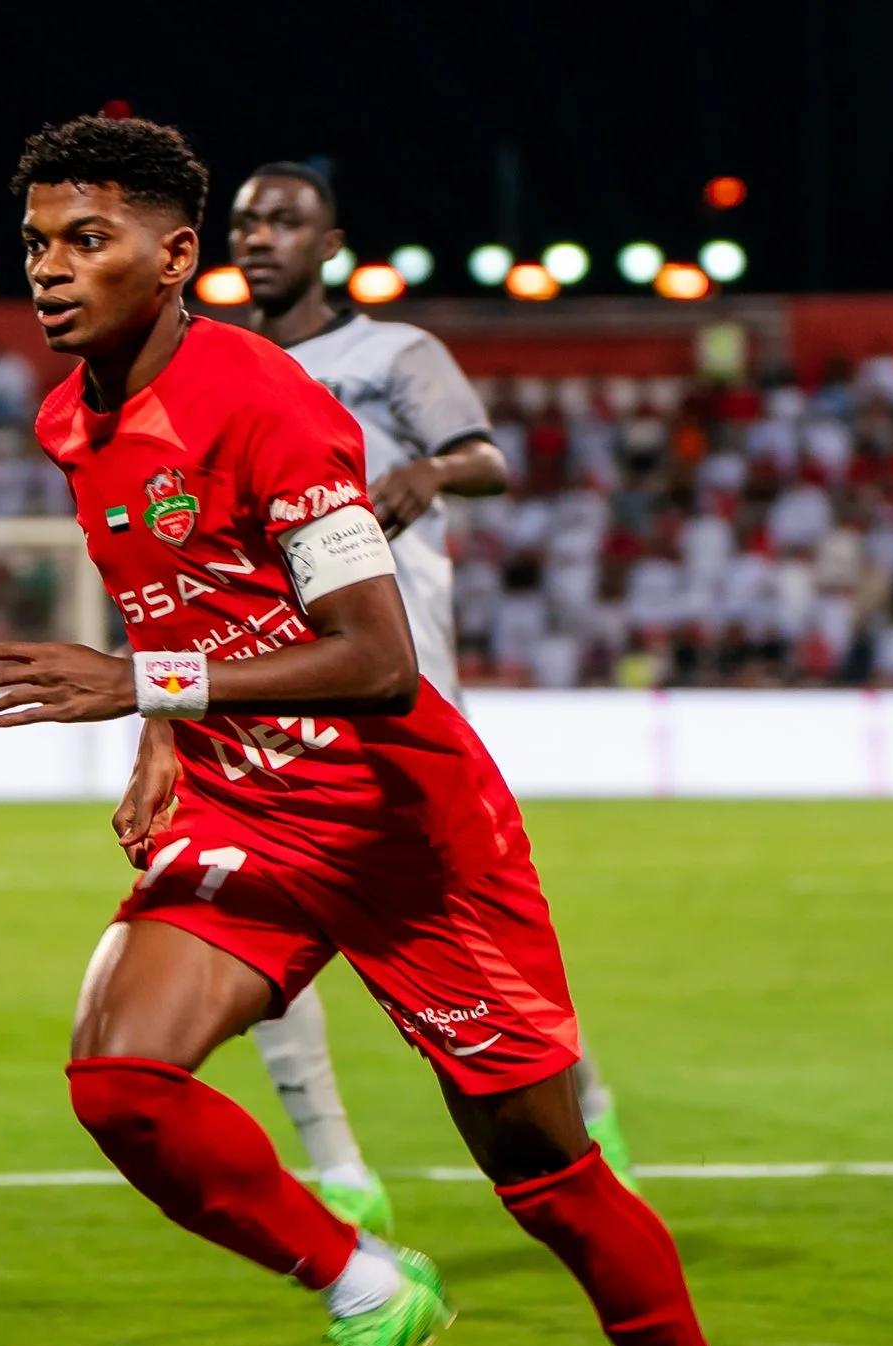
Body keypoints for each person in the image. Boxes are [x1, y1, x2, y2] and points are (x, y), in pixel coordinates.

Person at [0, 117, 768, 1346]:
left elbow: (377, 659)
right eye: (38, 246)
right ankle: (367, 1287)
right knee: (118, 1079)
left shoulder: (263, 405)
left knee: (550, 1182)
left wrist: (143, 684)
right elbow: (179, 582)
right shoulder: (76, 415)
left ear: (177, 254)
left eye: (88, 241)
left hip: (407, 835)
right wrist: (164, 748)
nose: (53, 273)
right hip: (256, 811)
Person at [204, 161, 633, 1232]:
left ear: (331, 242)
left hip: (403, 697)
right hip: (272, 697)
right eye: (246, 219)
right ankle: (339, 1170)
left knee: (474, 939)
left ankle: (581, 1096)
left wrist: (429, 476)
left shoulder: (393, 354)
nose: (259, 236)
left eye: (285, 220)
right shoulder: (216, 368)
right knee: (252, 910)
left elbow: (483, 456)